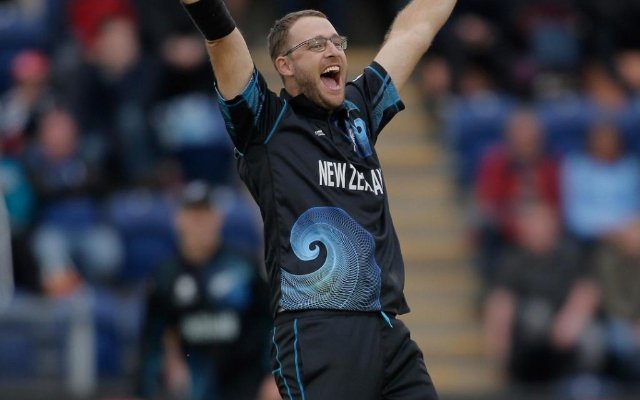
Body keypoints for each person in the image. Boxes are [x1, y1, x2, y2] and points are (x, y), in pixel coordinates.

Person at [179, 0, 457, 398]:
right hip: (317, 329)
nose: (332, 50)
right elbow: (223, 40)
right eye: (314, 44)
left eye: (335, 41)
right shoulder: (265, 123)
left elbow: (415, 29)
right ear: (284, 66)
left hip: (388, 331)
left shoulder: (358, 113)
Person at [138, 181, 274, 400]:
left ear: (218, 218)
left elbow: (271, 324)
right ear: (178, 220)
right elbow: (153, 339)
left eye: (205, 214)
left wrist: (273, 376)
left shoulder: (243, 270)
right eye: (193, 215)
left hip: (247, 383)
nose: (199, 223)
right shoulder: (165, 277)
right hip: (194, 385)